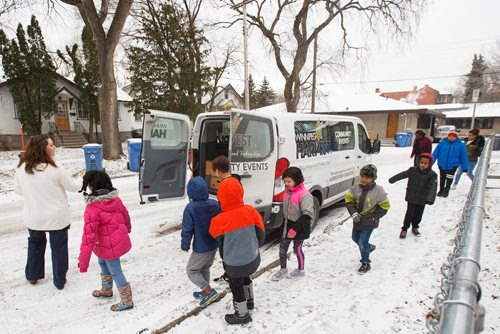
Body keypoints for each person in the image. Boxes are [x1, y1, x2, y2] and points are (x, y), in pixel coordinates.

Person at [13, 135, 80, 290]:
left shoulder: (22, 168)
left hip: (34, 217)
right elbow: (73, 186)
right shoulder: (55, 169)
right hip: (57, 218)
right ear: (42, 148)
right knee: (59, 248)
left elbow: (18, 190)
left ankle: (33, 275)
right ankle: (59, 280)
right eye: (50, 145)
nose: (54, 146)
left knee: (35, 244)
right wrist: (83, 178)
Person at [209, 177, 265, 325]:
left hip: (234, 264)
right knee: (246, 277)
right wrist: (253, 247)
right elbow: (261, 234)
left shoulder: (219, 220)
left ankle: (242, 314)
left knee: (236, 285)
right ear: (241, 193)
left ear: (220, 198)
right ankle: (250, 302)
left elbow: (214, 236)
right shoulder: (251, 211)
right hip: (253, 260)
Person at [78, 170, 134, 312]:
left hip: (110, 246)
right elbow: (126, 217)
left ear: (90, 185)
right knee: (102, 263)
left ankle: (127, 301)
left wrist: (83, 262)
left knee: (115, 271)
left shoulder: (92, 208)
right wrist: (127, 229)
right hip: (106, 244)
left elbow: (87, 238)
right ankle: (107, 290)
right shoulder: (116, 200)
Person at [181, 176, 221, 307]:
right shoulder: (215, 203)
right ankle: (206, 291)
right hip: (214, 243)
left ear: (190, 193)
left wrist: (185, 245)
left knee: (191, 270)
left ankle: (209, 291)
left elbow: (187, 229)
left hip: (201, 246)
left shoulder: (191, 208)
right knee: (205, 268)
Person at [345, 164, 390, 274]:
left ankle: (366, 262)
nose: (364, 179)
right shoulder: (355, 188)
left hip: (370, 221)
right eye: (363, 176)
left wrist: (374, 217)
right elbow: (349, 201)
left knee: (362, 241)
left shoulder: (379, 191)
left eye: (368, 177)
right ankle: (368, 247)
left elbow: (385, 206)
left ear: (373, 178)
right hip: (358, 219)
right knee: (355, 238)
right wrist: (354, 213)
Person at [271, 167, 314, 280]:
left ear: (297, 180)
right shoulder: (288, 192)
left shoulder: (305, 195)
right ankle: (283, 269)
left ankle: (301, 270)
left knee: (297, 249)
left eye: (289, 181)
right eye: (285, 181)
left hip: (299, 227)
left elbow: (307, 215)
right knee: (282, 249)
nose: (286, 184)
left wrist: (295, 229)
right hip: (287, 225)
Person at [389, 153, 437, 238]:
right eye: (421, 162)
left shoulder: (432, 174)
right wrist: (393, 179)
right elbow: (403, 174)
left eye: (426, 163)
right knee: (409, 213)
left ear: (429, 164)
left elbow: (433, 187)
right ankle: (404, 228)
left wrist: (430, 199)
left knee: (418, 214)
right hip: (412, 196)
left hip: (422, 198)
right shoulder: (412, 170)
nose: (423, 165)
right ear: (418, 162)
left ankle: (415, 227)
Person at [210, 155, 240, 284]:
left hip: (229, 221)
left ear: (217, 170)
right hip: (238, 218)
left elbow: (222, 204)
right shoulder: (235, 181)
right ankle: (231, 273)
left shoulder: (224, 185)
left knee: (225, 250)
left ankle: (229, 275)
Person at [432, 131, 468, 198]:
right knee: (442, 177)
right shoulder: (442, 143)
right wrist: (430, 163)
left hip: (453, 165)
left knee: (449, 177)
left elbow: (464, 156)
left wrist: (465, 167)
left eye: (453, 136)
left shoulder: (460, 145)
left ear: (456, 137)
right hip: (442, 163)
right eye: (450, 136)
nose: (451, 137)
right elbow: (435, 154)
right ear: (447, 136)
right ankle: (441, 190)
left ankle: (446, 190)